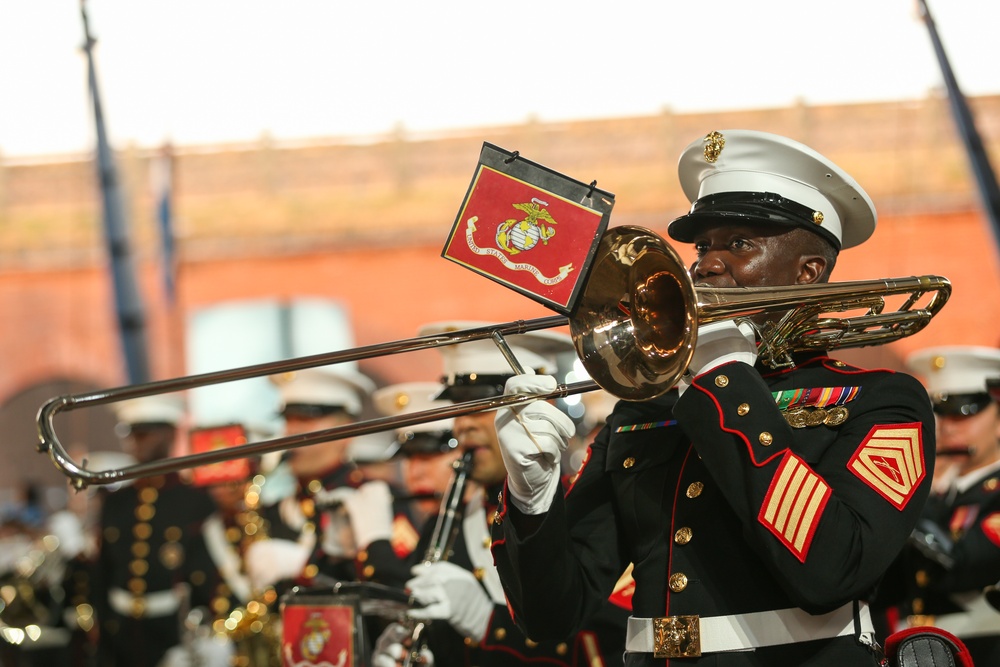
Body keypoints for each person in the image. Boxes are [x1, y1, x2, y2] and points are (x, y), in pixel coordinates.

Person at [489, 129, 939, 666]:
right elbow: (552, 616)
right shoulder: (644, 410)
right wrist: (531, 496)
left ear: (808, 273)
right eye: (702, 246)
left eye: (740, 243)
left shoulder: (883, 400)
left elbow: (830, 571)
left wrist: (726, 377)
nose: (704, 264)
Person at [374, 323, 630, 667]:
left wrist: (490, 626)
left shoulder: (585, 507)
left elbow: (611, 642)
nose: (463, 424)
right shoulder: (444, 526)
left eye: (482, 405)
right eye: (458, 408)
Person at [881, 345, 1000, 664]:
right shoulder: (941, 494)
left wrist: (917, 490)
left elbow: (960, 567)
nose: (947, 427)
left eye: (965, 412)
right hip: (919, 651)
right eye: (939, 413)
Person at [92, 394, 217, 667]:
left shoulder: (195, 499)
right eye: (133, 434)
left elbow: (206, 575)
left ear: (170, 434)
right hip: (121, 634)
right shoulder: (116, 502)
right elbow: (103, 573)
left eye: (147, 433)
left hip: (173, 631)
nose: (137, 442)